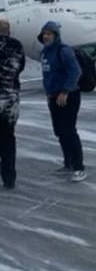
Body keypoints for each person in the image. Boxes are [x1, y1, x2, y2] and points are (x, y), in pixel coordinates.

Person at [38, 21, 87, 182]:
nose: (46, 36)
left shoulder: (63, 51)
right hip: (53, 96)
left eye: (49, 33)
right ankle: (68, 163)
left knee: (69, 131)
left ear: (56, 35)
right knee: (59, 131)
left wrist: (65, 91)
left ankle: (79, 167)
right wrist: (49, 94)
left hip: (68, 96)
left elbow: (75, 71)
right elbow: (48, 75)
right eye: (44, 33)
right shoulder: (45, 52)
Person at [0, 19, 25, 189]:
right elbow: (20, 66)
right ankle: (9, 178)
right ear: (8, 31)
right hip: (10, 98)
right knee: (8, 139)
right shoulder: (16, 45)